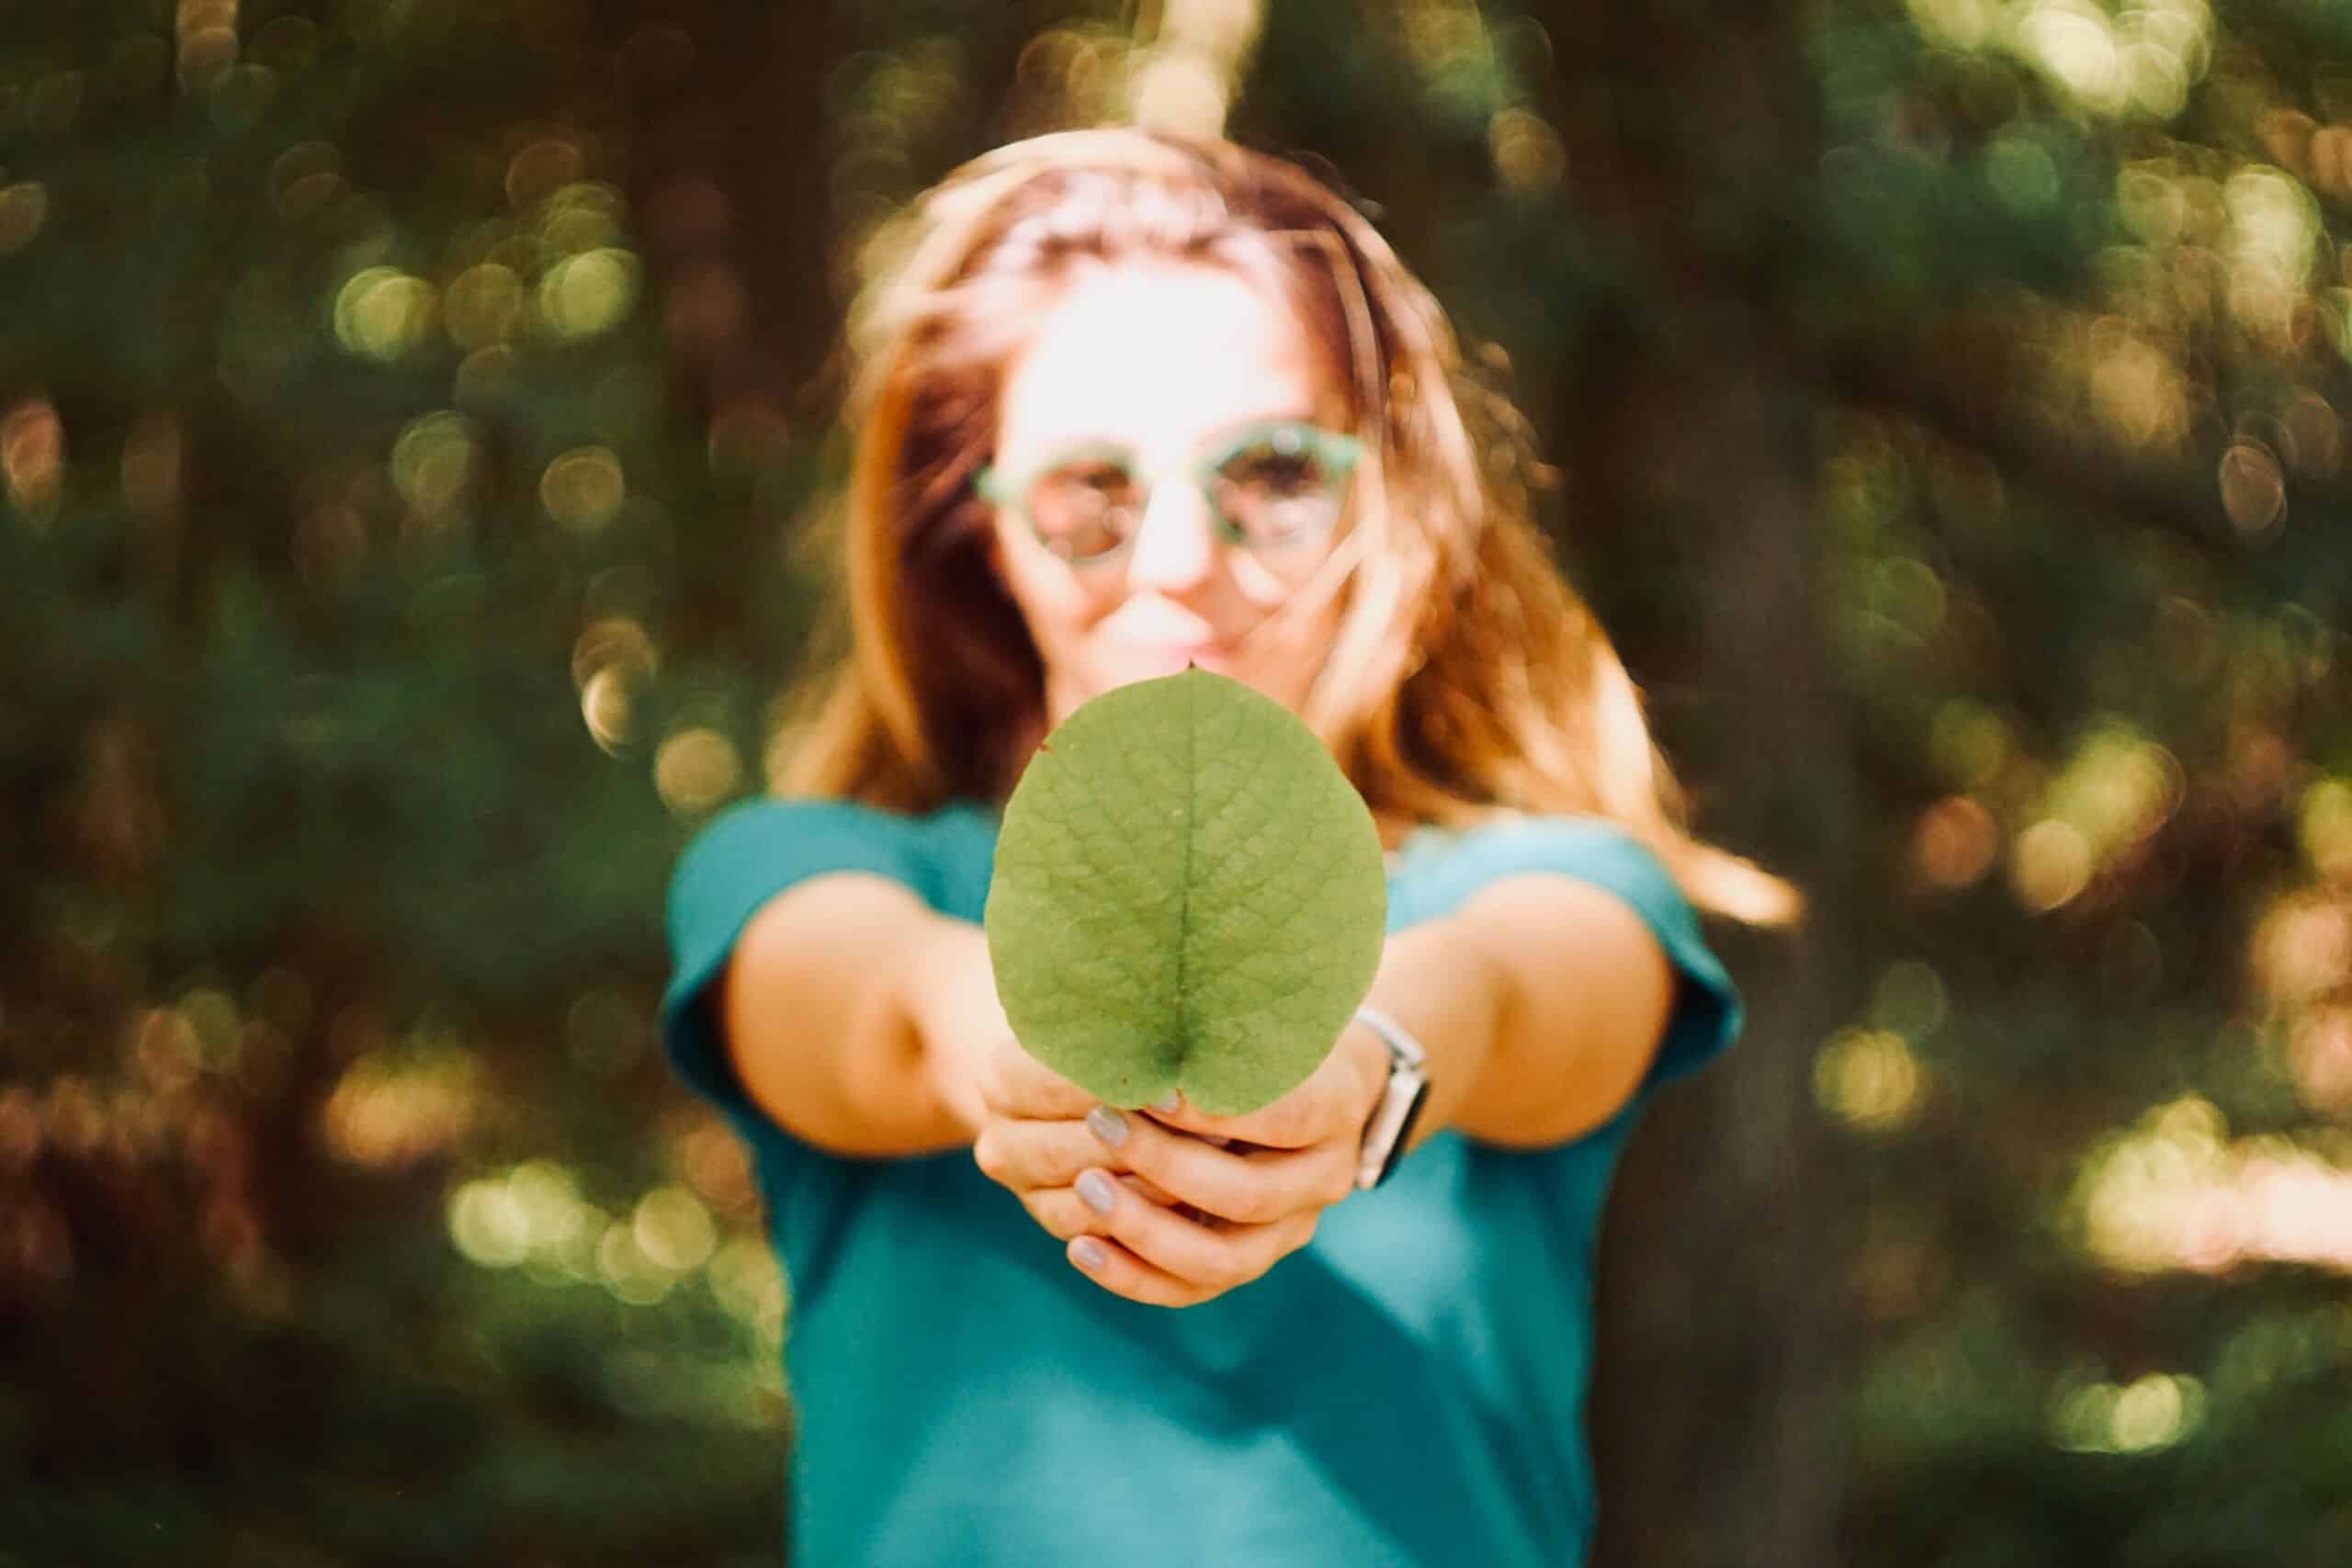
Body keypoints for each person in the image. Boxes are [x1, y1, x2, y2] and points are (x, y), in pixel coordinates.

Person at [659, 125, 1800, 1568]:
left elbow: (1511, 996)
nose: (1182, 558)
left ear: (1382, 494)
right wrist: (1017, 1049)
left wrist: (1364, 1068)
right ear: (980, 530)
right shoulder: (799, 871)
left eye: (1271, 472)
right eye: (1092, 489)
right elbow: (874, 1009)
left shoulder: (1552, 883)